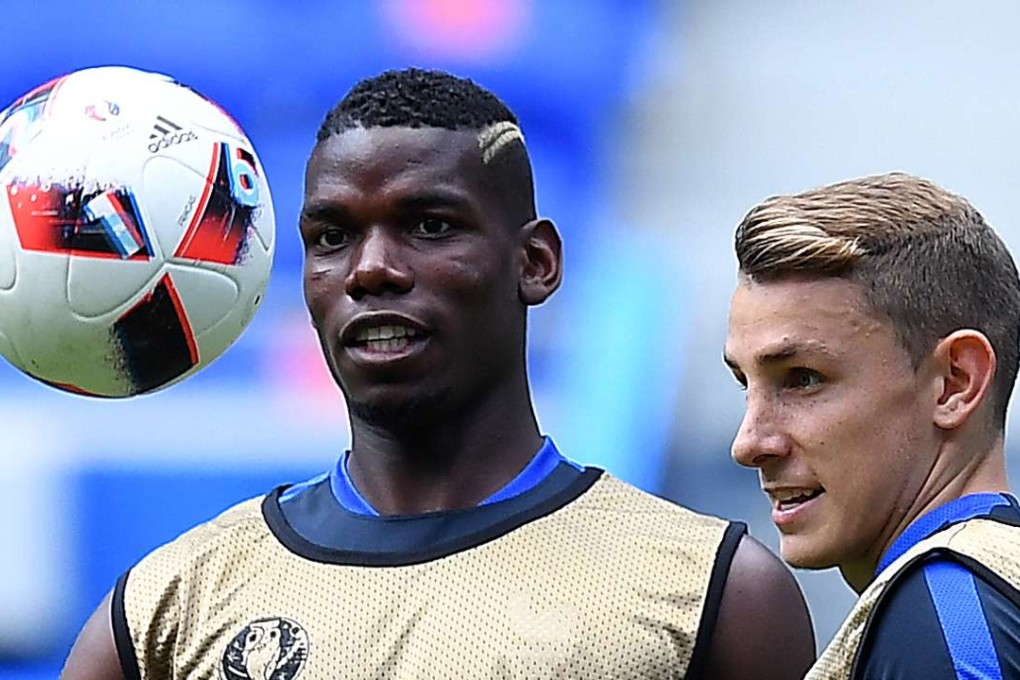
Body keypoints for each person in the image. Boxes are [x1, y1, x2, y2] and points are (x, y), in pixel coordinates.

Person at [62, 67, 814, 680]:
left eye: (429, 226)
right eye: (332, 236)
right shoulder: (169, 609)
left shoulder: (711, 597)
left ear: (536, 263)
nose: (372, 270)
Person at [724, 172, 1020, 679]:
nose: (749, 443)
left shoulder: (945, 616)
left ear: (955, 382)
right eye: (743, 384)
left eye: (802, 379)